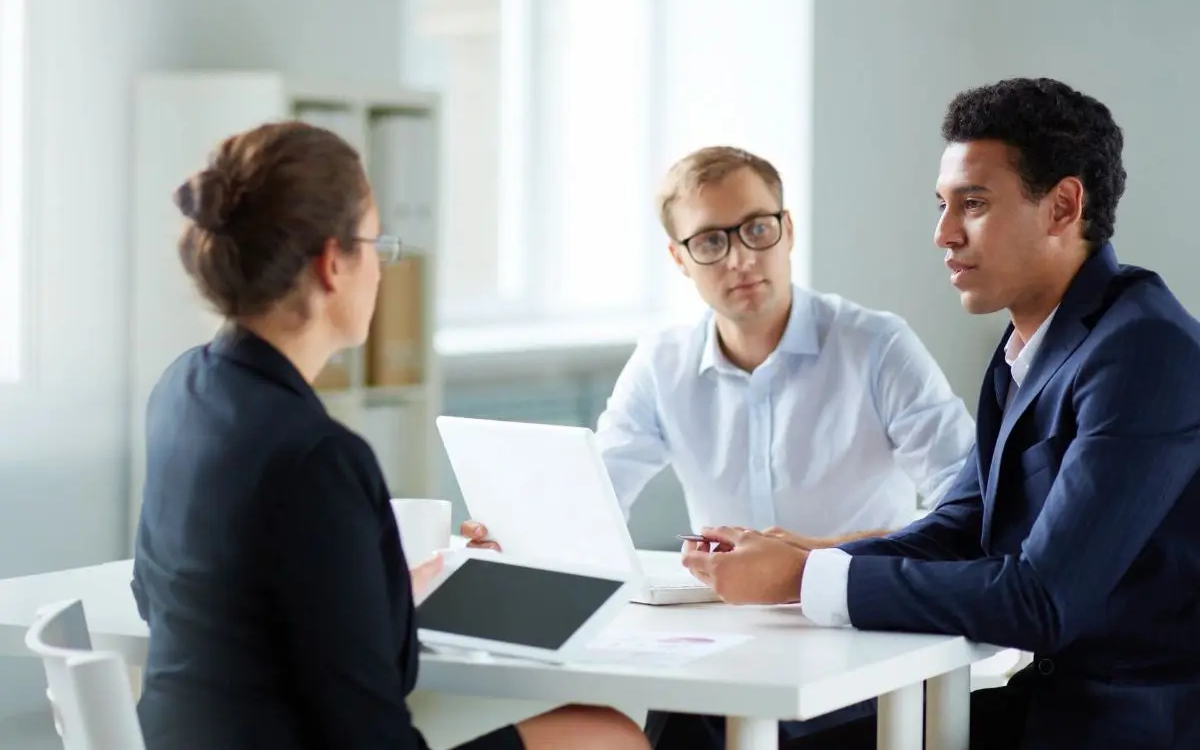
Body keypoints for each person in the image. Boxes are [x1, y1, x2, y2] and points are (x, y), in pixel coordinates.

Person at [678, 78, 1200, 750]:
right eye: (943, 205)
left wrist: (806, 576)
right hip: (1046, 706)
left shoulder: (1144, 351)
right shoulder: (1030, 345)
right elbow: (962, 527)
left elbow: (1041, 600)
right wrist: (797, 559)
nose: (943, 234)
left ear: (1063, 206)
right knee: (713, 728)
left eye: (973, 204)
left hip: (1125, 726)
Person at [131, 121, 649, 750]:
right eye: (376, 245)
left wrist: (374, 590)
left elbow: (164, 594)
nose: (382, 268)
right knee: (607, 733)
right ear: (332, 264)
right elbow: (369, 723)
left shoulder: (181, 391)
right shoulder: (319, 455)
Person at [463, 145, 975, 742]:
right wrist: (520, 535)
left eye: (757, 229)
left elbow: (968, 512)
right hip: (720, 652)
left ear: (787, 231)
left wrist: (814, 558)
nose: (739, 259)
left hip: (859, 643)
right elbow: (596, 496)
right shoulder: (664, 360)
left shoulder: (876, 346)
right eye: (710, 242)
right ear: (679, 259)